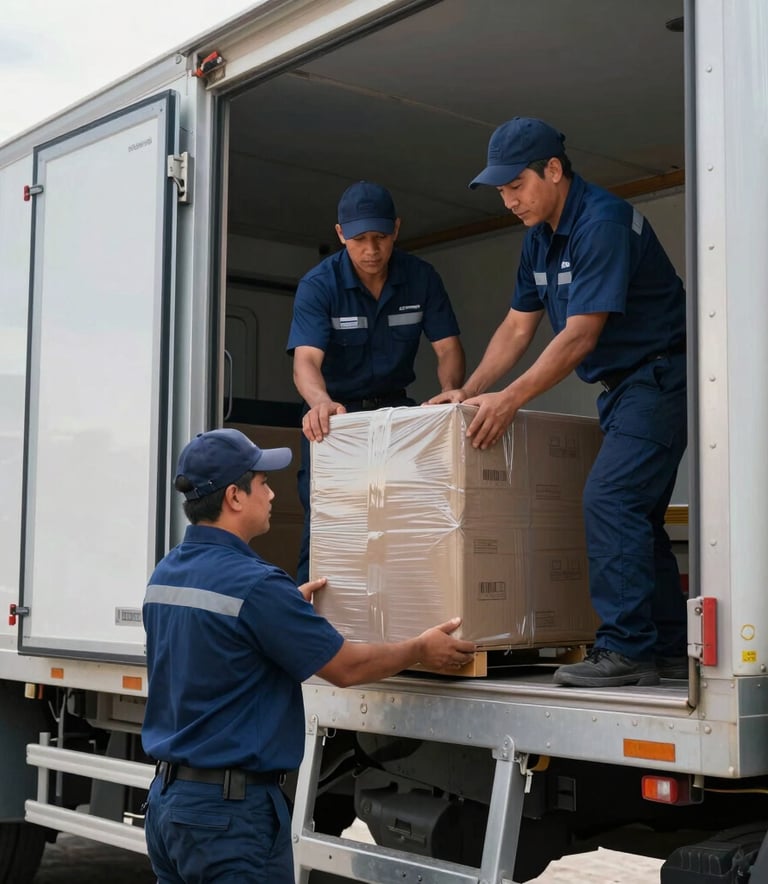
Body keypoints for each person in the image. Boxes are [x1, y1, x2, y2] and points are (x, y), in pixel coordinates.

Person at [141, 428, 476, 883]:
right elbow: (346, 668)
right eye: (263, 482)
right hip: (229, 819)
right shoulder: (256, 587)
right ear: (235, 497)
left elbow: (214, 646)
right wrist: (420, 648)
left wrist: (281, 616)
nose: (273, 492)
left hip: (168, 805)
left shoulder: (167, 573)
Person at [429, 117, 687, 688]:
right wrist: (469, 391)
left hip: (660, 379)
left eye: (515, 185)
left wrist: (510, 399)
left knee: (610, 499)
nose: (508, 200)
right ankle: (667, 645)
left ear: (553, 170)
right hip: (623, 389)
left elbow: (579, 335)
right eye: (500, 191)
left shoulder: (603, 223)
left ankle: (625, 649)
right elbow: (519, 328)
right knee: (637, 517)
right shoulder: (538, 240)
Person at [286, 180, 465, 583]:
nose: (371, 250)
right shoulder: (320, 285)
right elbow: (306, 361)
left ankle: (400, 625)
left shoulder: (422, 278)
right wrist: (319, 402)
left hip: (396, 414)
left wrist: (450, 392)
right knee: (328, 523)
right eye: (359, 239)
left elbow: (448, 349)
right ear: (340, 235)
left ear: (396, 230)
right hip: (335, 420)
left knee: (406, 517)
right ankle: (313, 635)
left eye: (381, 238)